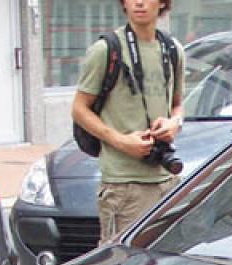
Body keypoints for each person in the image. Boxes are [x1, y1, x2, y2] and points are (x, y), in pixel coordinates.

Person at [72, 0, 185, 245]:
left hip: (167, 181)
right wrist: (120, 141)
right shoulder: (106, 50)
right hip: (124, 186)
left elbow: (177, 103)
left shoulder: (173, 50)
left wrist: (174, 122)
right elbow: (79, 109)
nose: (139, 3)